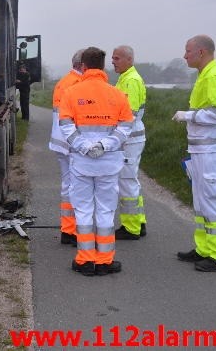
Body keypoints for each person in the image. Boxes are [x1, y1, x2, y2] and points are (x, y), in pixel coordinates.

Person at [59, 47, 133, 276]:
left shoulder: (71, 93)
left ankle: (85, 260)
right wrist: (105, 146)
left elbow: (65, 126)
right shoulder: (118, 94)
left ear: (83, 66)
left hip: (82, 162)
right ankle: (105, 260)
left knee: (82, 210)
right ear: (102, 67)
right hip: (109, 163)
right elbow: (126, 127)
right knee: (105, 210)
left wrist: (84, 146)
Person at [172, 35, 216, 272]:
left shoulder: (214, 76)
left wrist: (188, 115)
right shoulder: (205, 75)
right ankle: (205, 249)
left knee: (213, 200)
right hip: (202, 150)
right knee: (201, 201)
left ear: (201, 52)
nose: (184, 55)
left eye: (187, 51)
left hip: (212, 152)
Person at [111, 45, 148, 240]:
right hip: (131, 138)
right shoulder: (125, 78)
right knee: (130, 180)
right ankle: (138, 222)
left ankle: (131, 227)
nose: (113, 61)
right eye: (113, 58)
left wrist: (112, 134)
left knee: (126, 182)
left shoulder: (131, 81)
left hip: (130, 138)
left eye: (117, 58)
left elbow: (129, 116)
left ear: (129, 60)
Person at [48, 49, 84, 246]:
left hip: (61, 142)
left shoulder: (64, 81)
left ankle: (68, 229)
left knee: (68, 185)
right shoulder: (78, 84)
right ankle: (75, 230)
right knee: (77, 186)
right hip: (72, 144)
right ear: (83, 65)